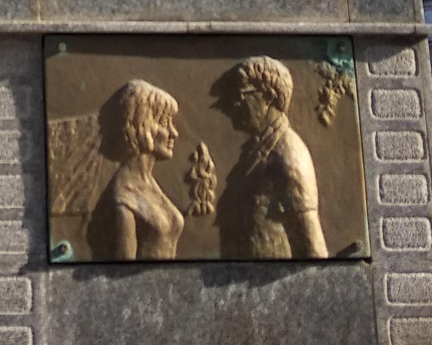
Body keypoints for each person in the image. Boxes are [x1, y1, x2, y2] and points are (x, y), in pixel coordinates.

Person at [211, 56, 327, 260]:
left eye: (239, 96)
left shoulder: (287, 157)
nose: (231, 107)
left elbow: (313, 250)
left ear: (269, 97)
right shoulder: (255, 152)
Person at [86, 79, 185, 261]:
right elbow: (120, 275)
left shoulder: (148, 184)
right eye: (164, 122)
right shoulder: (122, 202)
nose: (174, 132)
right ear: (140, 125)